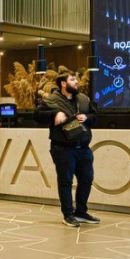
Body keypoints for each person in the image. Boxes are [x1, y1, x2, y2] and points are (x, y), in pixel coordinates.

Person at [36, 72, 99, 227]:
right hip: (63, 149)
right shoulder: (51, 100)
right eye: (72, 79)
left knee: (87, 179)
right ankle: (68, 214)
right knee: (66, 182)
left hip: (83, 148)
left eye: (76, 79)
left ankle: (81, 212)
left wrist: (87, 118)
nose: (76, 82)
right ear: (63, 84)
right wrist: (55, 114)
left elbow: (96, 116)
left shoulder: (83, 99)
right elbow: (36, 115)